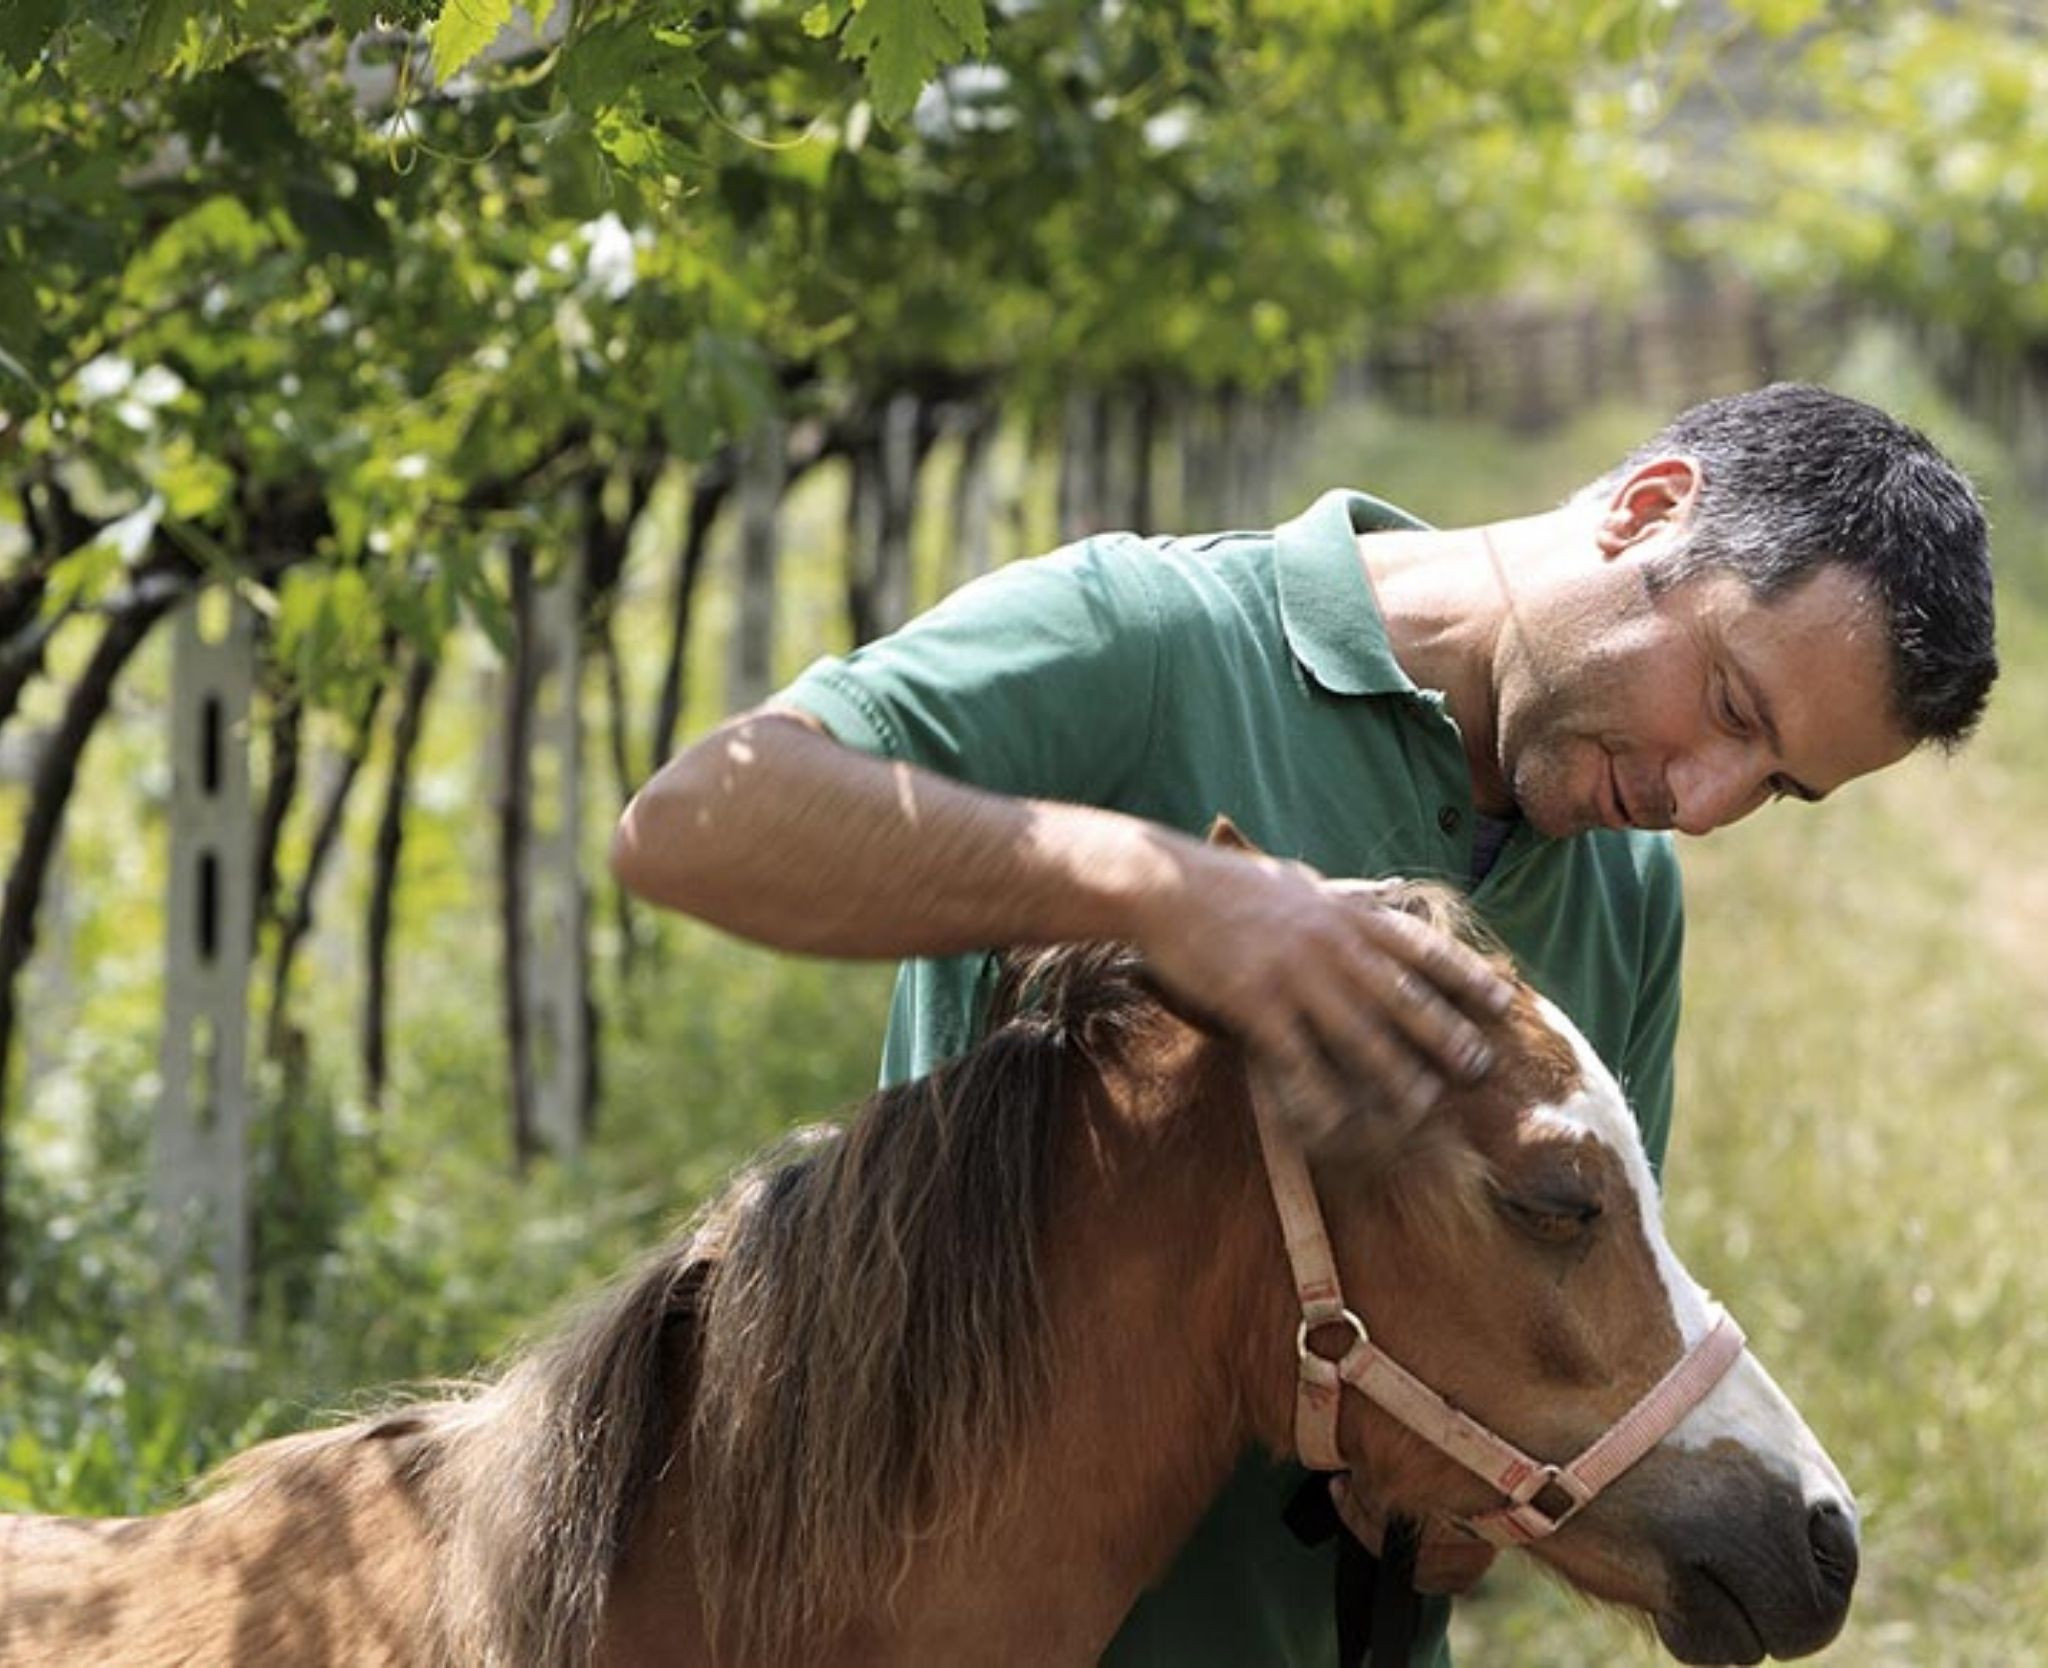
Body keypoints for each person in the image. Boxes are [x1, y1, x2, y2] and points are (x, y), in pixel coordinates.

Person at [610, 382, 1996, 1666]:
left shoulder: (1627, 897)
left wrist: (1489, 1504)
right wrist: (1163, 892)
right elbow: (699, 824)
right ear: (1647, 511)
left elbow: (1548, 1351)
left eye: (1777, 784)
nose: (1701, 802)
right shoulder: (1156, 647)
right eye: (1730, 705)